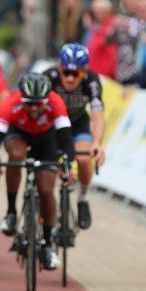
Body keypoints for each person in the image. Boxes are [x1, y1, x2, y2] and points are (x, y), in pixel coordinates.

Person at [0, 72, 75, 270]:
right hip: (18, 134)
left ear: (47, 100)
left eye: (39, 104)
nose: (34, 109)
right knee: (16, 157)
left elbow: (67, 140)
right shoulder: (10, 103)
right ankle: (11, 212)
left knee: (45, 189)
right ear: (21, 99)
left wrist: (67, 163)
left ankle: (47, 243)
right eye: (29, 104)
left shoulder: (56, 102)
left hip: (46, 139)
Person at [45, 44, 105, 231]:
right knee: (48, 171)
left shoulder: (92, 81)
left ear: (85, 71)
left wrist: (97, 143)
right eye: (66, 72)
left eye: (76, 74)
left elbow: (98, 115)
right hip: (52, 125)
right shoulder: (49, 77)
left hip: (78, 123)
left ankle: (83, 198)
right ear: (59, 68)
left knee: (84, 157)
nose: (70, 78)